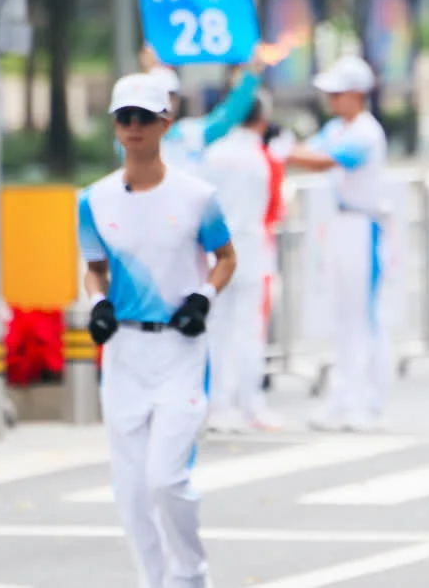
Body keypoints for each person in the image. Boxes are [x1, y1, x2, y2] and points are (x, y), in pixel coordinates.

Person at [77, 71, 236, 588]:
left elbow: (226, 257)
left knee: (166, 478)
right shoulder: (93, 200)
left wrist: (203, 297)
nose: (135, 127)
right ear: (115, 127)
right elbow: (94, 267)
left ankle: (190, 575)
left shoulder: (197, 196)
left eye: (145, 117)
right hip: (124, 352)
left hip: (180, 349)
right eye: (126, 118)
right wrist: (97, 302)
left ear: (164, 122)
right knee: (130, 488)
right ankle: (153, 580)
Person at [283, 55, 389, 432]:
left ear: (357, 94)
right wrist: (284, 148)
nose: (331, 98)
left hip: (364, 226)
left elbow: (321, 161)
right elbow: (310, 151)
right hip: (341, 223)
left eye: (337, 92)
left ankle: (366, 402)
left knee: (361, 317)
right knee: (342, 317)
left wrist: (278, 150)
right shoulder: (337, 128)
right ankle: (341, 400)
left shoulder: (365, 132)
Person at [201, 93, 283, 432]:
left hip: (216, 251)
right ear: (261, 120)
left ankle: (217, 405)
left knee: (215, 329)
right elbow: (270, 207)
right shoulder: (261, 157)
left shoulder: (213, 154)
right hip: (250, 250)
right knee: (249, 330)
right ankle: (251, 405)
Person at [136, 44, 263, 175]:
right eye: (157, 94)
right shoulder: (133, 134)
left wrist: (250, 76)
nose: (165, 101)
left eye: (171, 95)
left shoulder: (191, 133)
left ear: (177, 99)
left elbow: (228, 115)